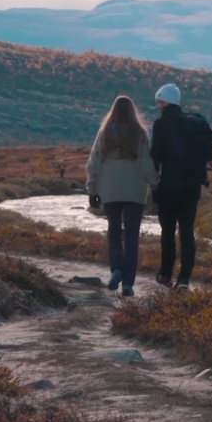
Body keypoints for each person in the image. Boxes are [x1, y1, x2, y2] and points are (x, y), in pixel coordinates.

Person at [86, 95, 160, 297]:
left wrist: (92, 189)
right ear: (132, 111)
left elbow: (93, 163)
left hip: (110, 191)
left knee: (113, 232)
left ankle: (116, 268)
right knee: (132, 236)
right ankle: (128, 283)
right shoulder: (140, 134)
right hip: (135, 192)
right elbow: (146, 164)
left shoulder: (104, 134)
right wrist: (155, 185)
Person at [150, 83, 204, 291]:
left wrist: (153, 184)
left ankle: (165, 274)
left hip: (169, 186)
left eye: (159, 102)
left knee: (168, 232)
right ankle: (184, 279)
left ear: (165, 102)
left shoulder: (160, 124)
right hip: (192, 188)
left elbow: (155, 157)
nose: (158, 106)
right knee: (187, 232)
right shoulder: (194, 123)